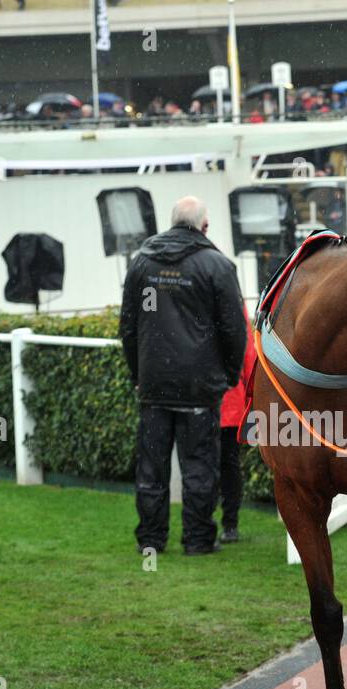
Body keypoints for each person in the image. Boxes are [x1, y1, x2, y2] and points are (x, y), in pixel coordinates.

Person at [119, 196, 246, 556]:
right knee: (199, 468)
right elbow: (233, 329)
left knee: (151, 470)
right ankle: (198, 540)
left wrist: (138, 373)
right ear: (204, 227)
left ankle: (151, 541)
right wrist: (230, 374)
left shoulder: (143, 262)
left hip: (154, 382)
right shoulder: (217, 265)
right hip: (199, 385)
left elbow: (129, 325)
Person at [215, 305, 257, 544]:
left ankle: (218, 523)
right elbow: (248, 353)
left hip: (221, 402)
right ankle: (228, 524)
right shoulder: (231, 301)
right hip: (228, 400)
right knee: (228, 466)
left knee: (210, 465)